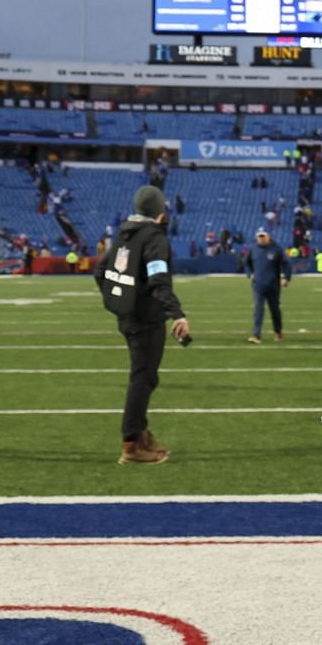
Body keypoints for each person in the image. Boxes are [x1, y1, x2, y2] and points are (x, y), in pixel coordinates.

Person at [96, 185, 190, 463]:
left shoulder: (124, 233)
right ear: (160, 210)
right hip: (146, 319)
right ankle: (131, 443)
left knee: (145, 376)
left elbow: (101, 271)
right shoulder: (154, 238)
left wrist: (120, 302)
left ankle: (140, 433)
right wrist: (178, 314)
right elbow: (159, 281)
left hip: (127, 317)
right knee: (143, 379)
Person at [246, 227, 290, 343]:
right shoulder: (253, 249)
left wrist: (286, 278)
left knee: (275, 310)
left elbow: (286, 264)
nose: (261, 239)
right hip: (258, 285)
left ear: (268, 237)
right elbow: (246, 262)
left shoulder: (276, 249)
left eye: (263, 236)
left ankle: (278, 332)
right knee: (258, 310)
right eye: (259, 237)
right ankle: (256, 335)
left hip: (273, 285)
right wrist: (249, 273)